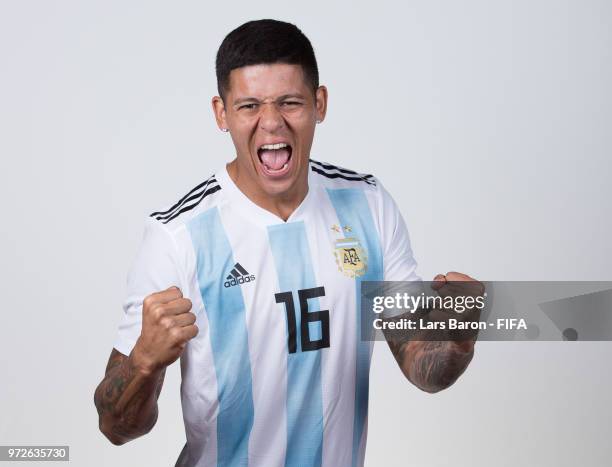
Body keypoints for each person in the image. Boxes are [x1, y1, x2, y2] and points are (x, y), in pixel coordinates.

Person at [94, 19, 481, 467]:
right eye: (249, 106)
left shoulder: (368, 207)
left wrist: (457, 336)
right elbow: (114, 428)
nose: (271, 122)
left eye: (290, 102)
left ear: (320, 103)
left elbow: (423, 369)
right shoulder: (177, 237)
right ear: (222, 113)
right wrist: (143, 361)